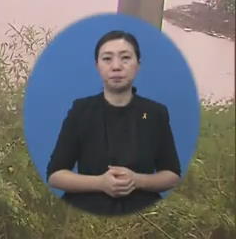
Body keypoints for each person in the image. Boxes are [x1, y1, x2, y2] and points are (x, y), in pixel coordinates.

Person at [46, 30, 182, 216]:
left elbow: (172, 175)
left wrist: (137, 180)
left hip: (144, 212)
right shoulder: (81, 110)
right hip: (85, 211)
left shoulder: (155, 113)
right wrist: (100, 183)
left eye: (125, 58)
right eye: (107, 59)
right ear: (97, 66)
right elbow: (55, 175)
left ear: (138, 65)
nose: (116, 67)